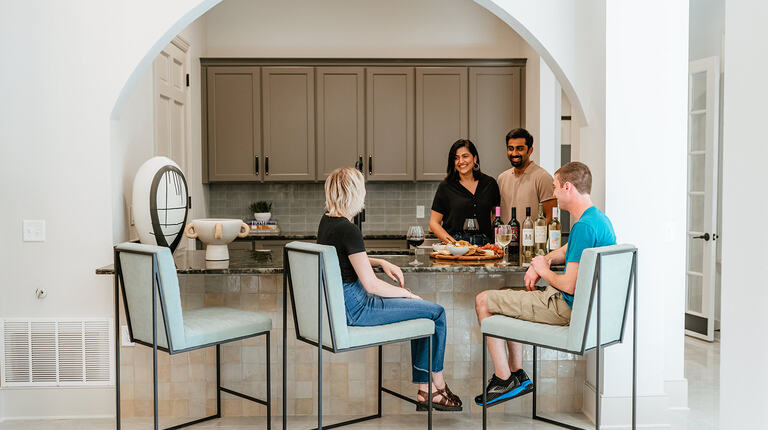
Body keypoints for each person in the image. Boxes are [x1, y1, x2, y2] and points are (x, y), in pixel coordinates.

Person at [317, 167, 462, 411]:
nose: (365, 192)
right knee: (435, 312)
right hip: (358, 307)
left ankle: (428, 388)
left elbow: (343, 260)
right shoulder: (348, 228)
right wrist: (407, 294)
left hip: (344, 304)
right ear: (353, 192)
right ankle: (435, 387)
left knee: (423, 311)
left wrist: (380, 261)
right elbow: (371, 284)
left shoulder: (328, 222)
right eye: (362, 187)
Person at [473, 162, 616, 405]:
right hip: (586, 308)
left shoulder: (582, 226)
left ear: (568, 187)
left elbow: (568, 286)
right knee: (504, 295)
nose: (553, 194)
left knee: (483, 300)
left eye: (555, 188)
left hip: (566, 307)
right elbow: (567, 250)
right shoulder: (599, 219)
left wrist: (541, 269)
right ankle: (517, 375)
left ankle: (503, 379)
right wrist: (545, 259)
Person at [429, 139, 500, 245]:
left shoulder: (490, 184)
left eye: (465, 156)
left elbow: (495, 213)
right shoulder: (446, 186)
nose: (461, 161)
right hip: (456, 246)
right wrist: (453, 243)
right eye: (456, 158)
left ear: (475, 158)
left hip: (486, 246)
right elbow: (434, 223)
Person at [497, 128, 554, 224]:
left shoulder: (543, 177)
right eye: (511, 148)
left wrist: (538, 239)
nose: (514, 153)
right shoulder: (502, 178)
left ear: (530, 150)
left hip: (532, 239)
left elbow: (550, 217)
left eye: (520, 148)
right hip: (505, 239)